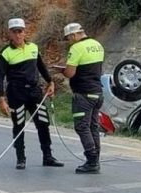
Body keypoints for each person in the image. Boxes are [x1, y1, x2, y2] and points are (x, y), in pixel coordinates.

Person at [0, 18, 63, 170]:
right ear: (10, 34)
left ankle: (48, 156)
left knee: (43, 123)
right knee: (18, 125)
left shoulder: (33, 48)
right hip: (16, 93)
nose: (18, 35)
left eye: (21, 31)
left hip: (34, 92)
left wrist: (50, 82)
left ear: (25, 32)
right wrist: (1, 99)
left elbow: (41, 66)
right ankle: (20, 158)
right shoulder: (6, 53)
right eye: (15, 32)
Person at [57, 23, 105, 174]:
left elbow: (70, 73)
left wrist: (62, 71)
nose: (68, 41)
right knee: (93, 127)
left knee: (82, 127)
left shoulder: (76, 48)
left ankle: (91, 161)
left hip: (83, 94)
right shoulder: (97, 45)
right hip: (97, 93)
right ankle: (95, 159)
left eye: (68, 38)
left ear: (73, 35)